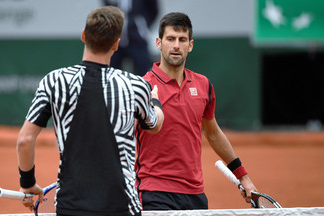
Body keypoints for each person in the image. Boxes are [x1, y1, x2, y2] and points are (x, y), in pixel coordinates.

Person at [16, 6, 164, 216]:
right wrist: (156, 103)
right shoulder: (136, 86)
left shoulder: (53, 81)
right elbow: (154, 125)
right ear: (116, 43)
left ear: (84, 35)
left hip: (70, 206)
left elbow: (24, 140)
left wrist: (28, 183)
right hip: (122, 207)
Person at [135, 12, 257, 210]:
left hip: (195, 194)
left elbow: (213, 133)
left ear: (190, 45)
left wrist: (243, 177)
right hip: (153, 192)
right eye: (170, 39)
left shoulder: (203, 85)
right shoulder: (142, 87)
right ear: (159, 43)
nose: (176, 45)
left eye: (182, 40)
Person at [102, 0, 159, 76]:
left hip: (137, 39)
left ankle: (144, 87)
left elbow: (154, 11)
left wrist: (142, 25)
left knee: (143, 71)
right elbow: (107, 7)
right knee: (109, 70)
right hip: (116, 38)